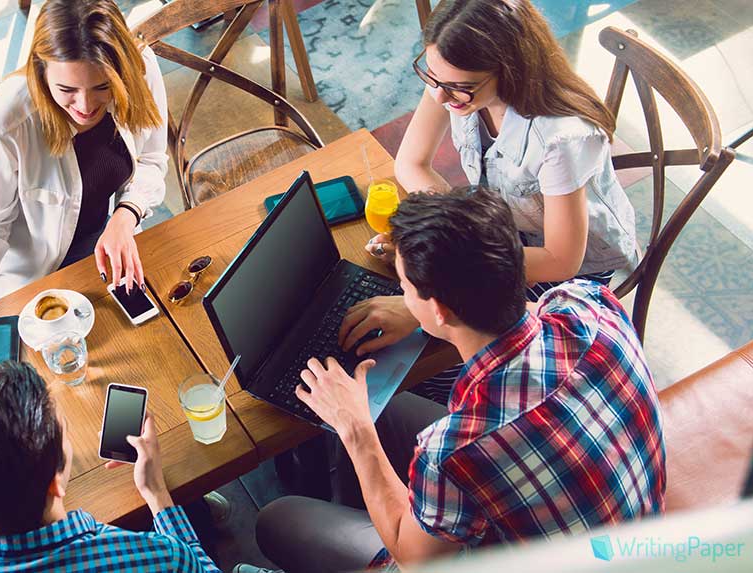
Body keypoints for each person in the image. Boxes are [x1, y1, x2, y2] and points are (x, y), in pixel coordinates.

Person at [237, 189, 665, 572]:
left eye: (404, 287)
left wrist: (355, 427)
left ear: (439, 310)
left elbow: (413, 560)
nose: (402, 296)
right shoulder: (586, 303)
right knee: (392, 407)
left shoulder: (454, 450)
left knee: (279, 519)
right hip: (630, 536)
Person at [356, 0, 640, 403]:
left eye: (457, 87)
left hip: (570, 275)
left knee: (428, 362)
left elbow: (562, 259)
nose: (438, 97)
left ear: (509, 68)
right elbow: (411, 162)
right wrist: (442, 232)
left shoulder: (561, 138)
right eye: (431, 76)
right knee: (416, 336)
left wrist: (446, 264)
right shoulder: (452, 77)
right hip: (506, 235)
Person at [0, 0, 168, 372]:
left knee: (149, 351)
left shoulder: (141, 68)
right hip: (28, 276)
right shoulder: (4, 121)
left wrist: (126, 215)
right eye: (67, 89)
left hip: (102, 245)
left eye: (102, 86)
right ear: (41, 72)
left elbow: (153, 160)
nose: (86, 106)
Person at [0, 360, 221, 573]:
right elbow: (201, 567)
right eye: (64, 429)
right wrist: (156, 492)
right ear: (55, 484)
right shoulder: (156, 558)